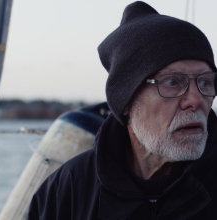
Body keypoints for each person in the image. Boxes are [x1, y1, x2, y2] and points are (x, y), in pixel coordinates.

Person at [27, 1, 217, 219]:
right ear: (126, 101)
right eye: (172, 82)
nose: (196, 99)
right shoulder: (69, 187)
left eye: (205, 82)